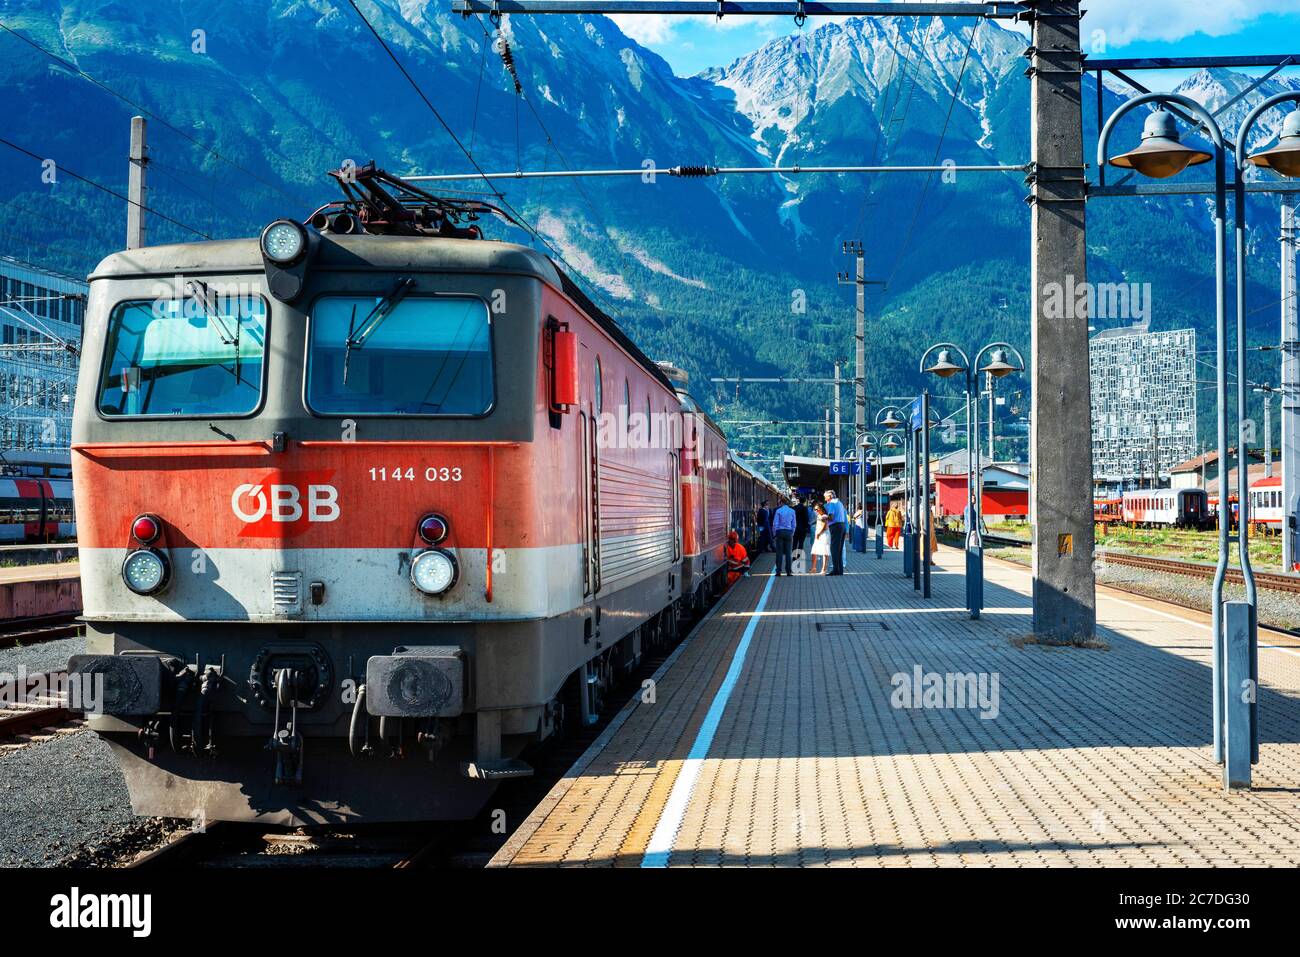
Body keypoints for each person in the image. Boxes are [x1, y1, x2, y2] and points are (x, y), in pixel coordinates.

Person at [823, 489, 847, 575]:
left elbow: (831, 517)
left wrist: (824, 517)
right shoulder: (839, 503)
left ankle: (835, 570)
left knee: (834, 549)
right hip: (842, 526)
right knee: (839, 549)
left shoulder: (832, 504)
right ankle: (840, 570)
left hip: (836, 526)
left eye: (825, 497)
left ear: (829, 497)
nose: (825, 499)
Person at [771, 499, 796, 576]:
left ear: (782, 503)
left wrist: (774, 534)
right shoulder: (792, 511)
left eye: (779, 503)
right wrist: (792, 533)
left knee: (779, 553)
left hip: (780, 532)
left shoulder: (778, 511)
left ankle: (778, 571)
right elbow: (794, 523)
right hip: (789, 532)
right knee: (788, 553)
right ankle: (788, 571)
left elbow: (775, 523)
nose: (779, 504)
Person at [810, 503, 831, 575]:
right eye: (814, 509)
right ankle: (813, 568)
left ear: (821, 509)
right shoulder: (818, 515)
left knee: (824, 552)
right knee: (814, 551)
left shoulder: (824, 516)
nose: (815, 510)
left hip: (823, 534)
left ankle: (824, 569)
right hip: (818, 533)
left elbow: (824, 527)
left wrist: (818, 534)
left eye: (817, 509)